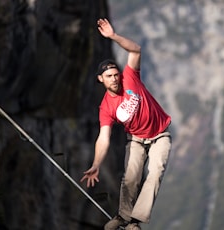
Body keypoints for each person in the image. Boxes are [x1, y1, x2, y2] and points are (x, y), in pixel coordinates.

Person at [80, 18, 172, 230]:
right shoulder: (106, 108)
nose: (114, 78)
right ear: (100, 79)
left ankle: (135, 222)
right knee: (130, 178)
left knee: (155, 172)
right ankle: (123, 216)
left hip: (160, 135)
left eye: (115, 74)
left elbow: (136, 50)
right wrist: (96, 164)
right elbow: (103, 138)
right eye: (109, 76)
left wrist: (113, 36)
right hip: (137, 139)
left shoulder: (130, 78)